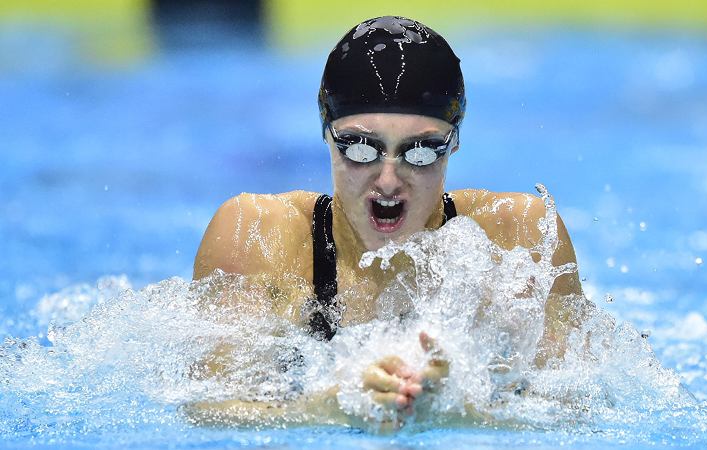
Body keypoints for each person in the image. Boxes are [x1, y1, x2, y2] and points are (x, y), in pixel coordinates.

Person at [188, 15, 583, 429]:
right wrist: (326, 409)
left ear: (455, 142)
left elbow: (582, 409)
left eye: (422, 152)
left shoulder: (518, 236)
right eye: (360, 148)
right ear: (326, 131)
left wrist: (461, 413)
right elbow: (207, 411)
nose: (389, 181)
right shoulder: (258, 235)